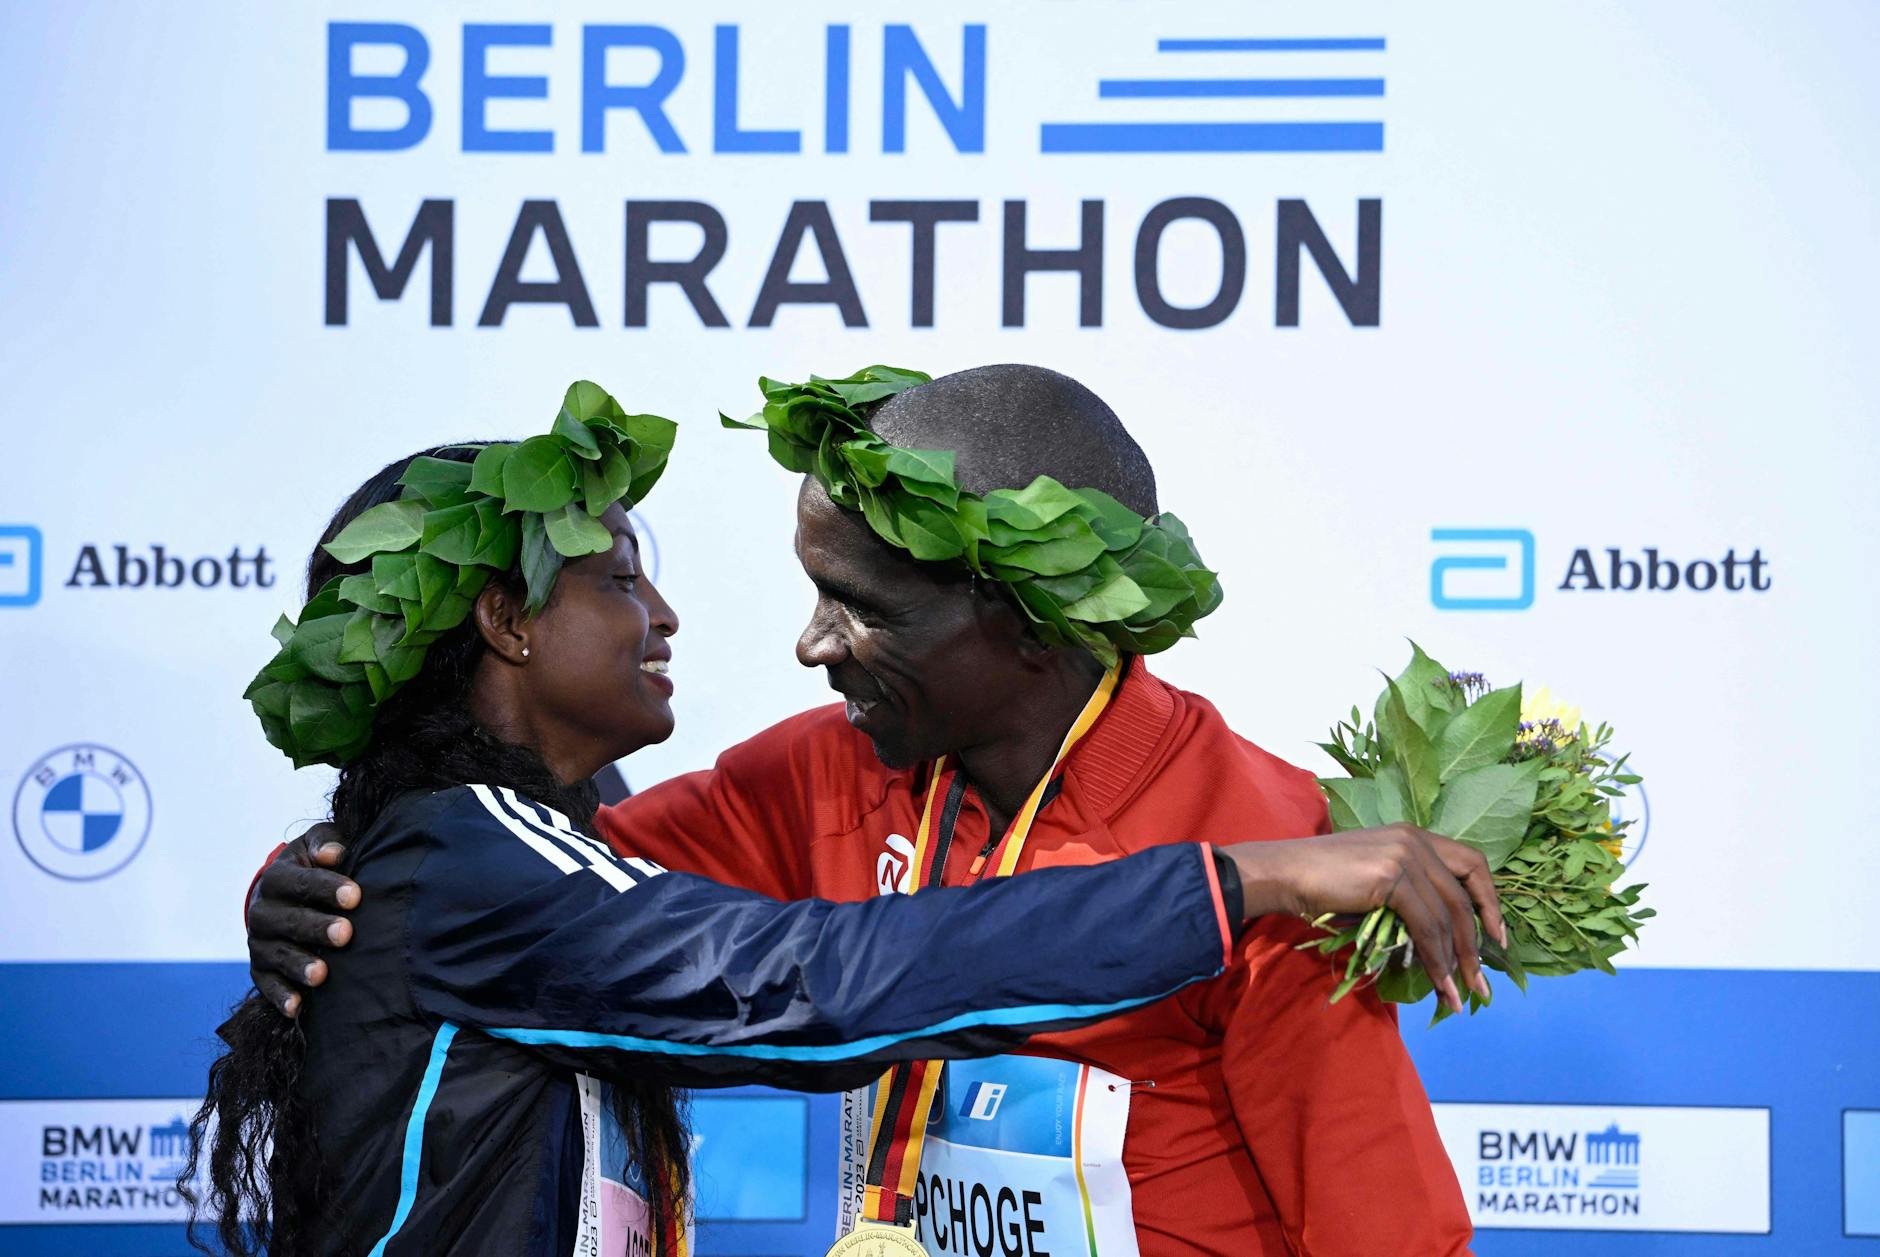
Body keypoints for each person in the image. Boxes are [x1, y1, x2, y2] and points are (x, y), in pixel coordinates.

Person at [204, 386, 1495, 1257]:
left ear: (1020, 620)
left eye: (857, 602)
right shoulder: (829, 777)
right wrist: (311, 883)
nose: (809, 642)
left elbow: (1388, 1226)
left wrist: (1244, 877)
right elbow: (590, 904)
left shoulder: (1278, 841)